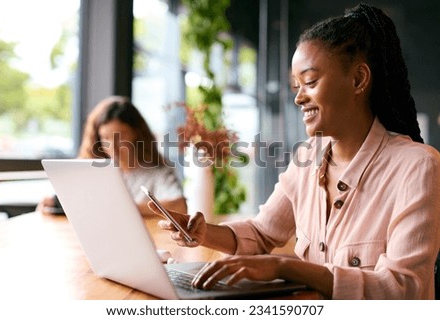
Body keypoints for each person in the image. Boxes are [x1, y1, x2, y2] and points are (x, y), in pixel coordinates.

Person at [149, 3, 440, 299]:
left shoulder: (417, 166)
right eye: (296, 86)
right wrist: (203, 232)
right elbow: (262, 233)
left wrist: (284, 267)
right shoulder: (308, 156)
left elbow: (403, 290)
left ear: (358, 79)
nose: (299, 98)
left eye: (310, 82)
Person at [38, 96, 187, 216]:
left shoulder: (157, 173)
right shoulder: (94, 171)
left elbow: (179, 207)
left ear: (136, 134)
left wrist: (123, 209)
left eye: (120, 137)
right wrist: (54, 203)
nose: (113, 147)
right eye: (106, 138)